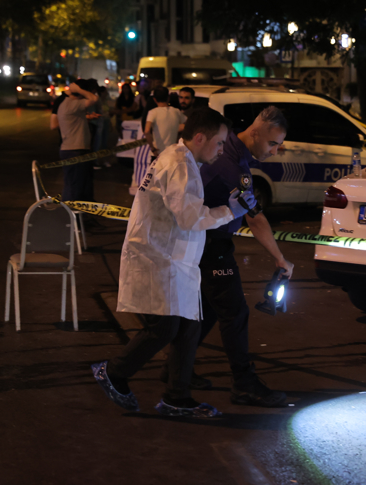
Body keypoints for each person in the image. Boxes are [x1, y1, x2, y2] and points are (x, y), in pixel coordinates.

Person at [92, 108, 256, 417]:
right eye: (219, 142)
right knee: (164, 328)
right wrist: (231, 211)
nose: (222, 150)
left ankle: (177, 397)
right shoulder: (180, 164)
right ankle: (114, 372)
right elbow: (189, 216)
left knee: (188, 327)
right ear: (199, 137)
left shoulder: (178, 158)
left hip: (169, 259)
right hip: (158, 259)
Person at [191, 106, 292, 407]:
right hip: (211, 243)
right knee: (235, 313)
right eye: (273, 143)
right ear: (256, 132)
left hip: (206, 240)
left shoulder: (237, 156)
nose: (276, 151)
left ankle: (176, 368)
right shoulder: (232, 164)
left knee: (209, 310)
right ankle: (244, 384)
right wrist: (280, 260)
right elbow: (254, 218)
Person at [50, 78, 98, 202]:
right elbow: (93, 99)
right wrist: (79, 90)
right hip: (74, 150)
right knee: (74, 189)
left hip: (73, 149)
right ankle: (71, 218)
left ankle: (78, 218)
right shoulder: (72, 104)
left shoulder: (67, 104)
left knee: (76, 186)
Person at [145, 87, 186, 158]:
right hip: (172, 153)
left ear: (154, 99)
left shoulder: (152, 112)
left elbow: (147, 131)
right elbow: (188, 123)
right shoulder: (176, 111)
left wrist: (152, 148)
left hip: (158, 153)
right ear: (168, 98)